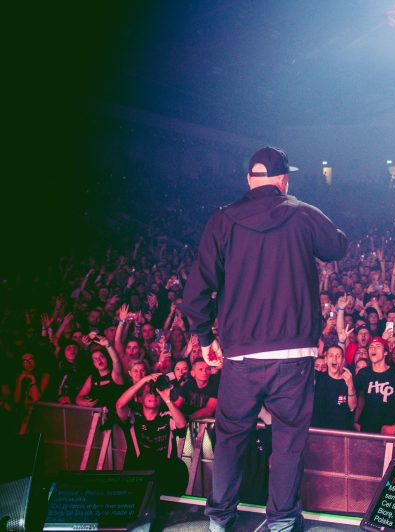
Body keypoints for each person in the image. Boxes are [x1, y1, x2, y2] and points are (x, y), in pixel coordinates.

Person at [180, 146, 348, 532]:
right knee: (288, 442)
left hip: (241, 357)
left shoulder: (223, 219)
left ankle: (220, 519)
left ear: (248, 180)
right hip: (293, 355)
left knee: (230, 439)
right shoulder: (302, 212)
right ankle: (282, 521)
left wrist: (204, 339)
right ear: (284, 181)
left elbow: (196, 291)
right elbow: (337, 245)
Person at [116, 373, 188, 495]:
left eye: (156, 393)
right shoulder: (134, 416)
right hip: (138, 471)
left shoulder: (167, 416)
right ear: (140, 398)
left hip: (164, 474)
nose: (153, 396)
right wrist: (144, 380)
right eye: (148, 393)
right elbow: (120, 405)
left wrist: (167, 398)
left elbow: (181, 425)